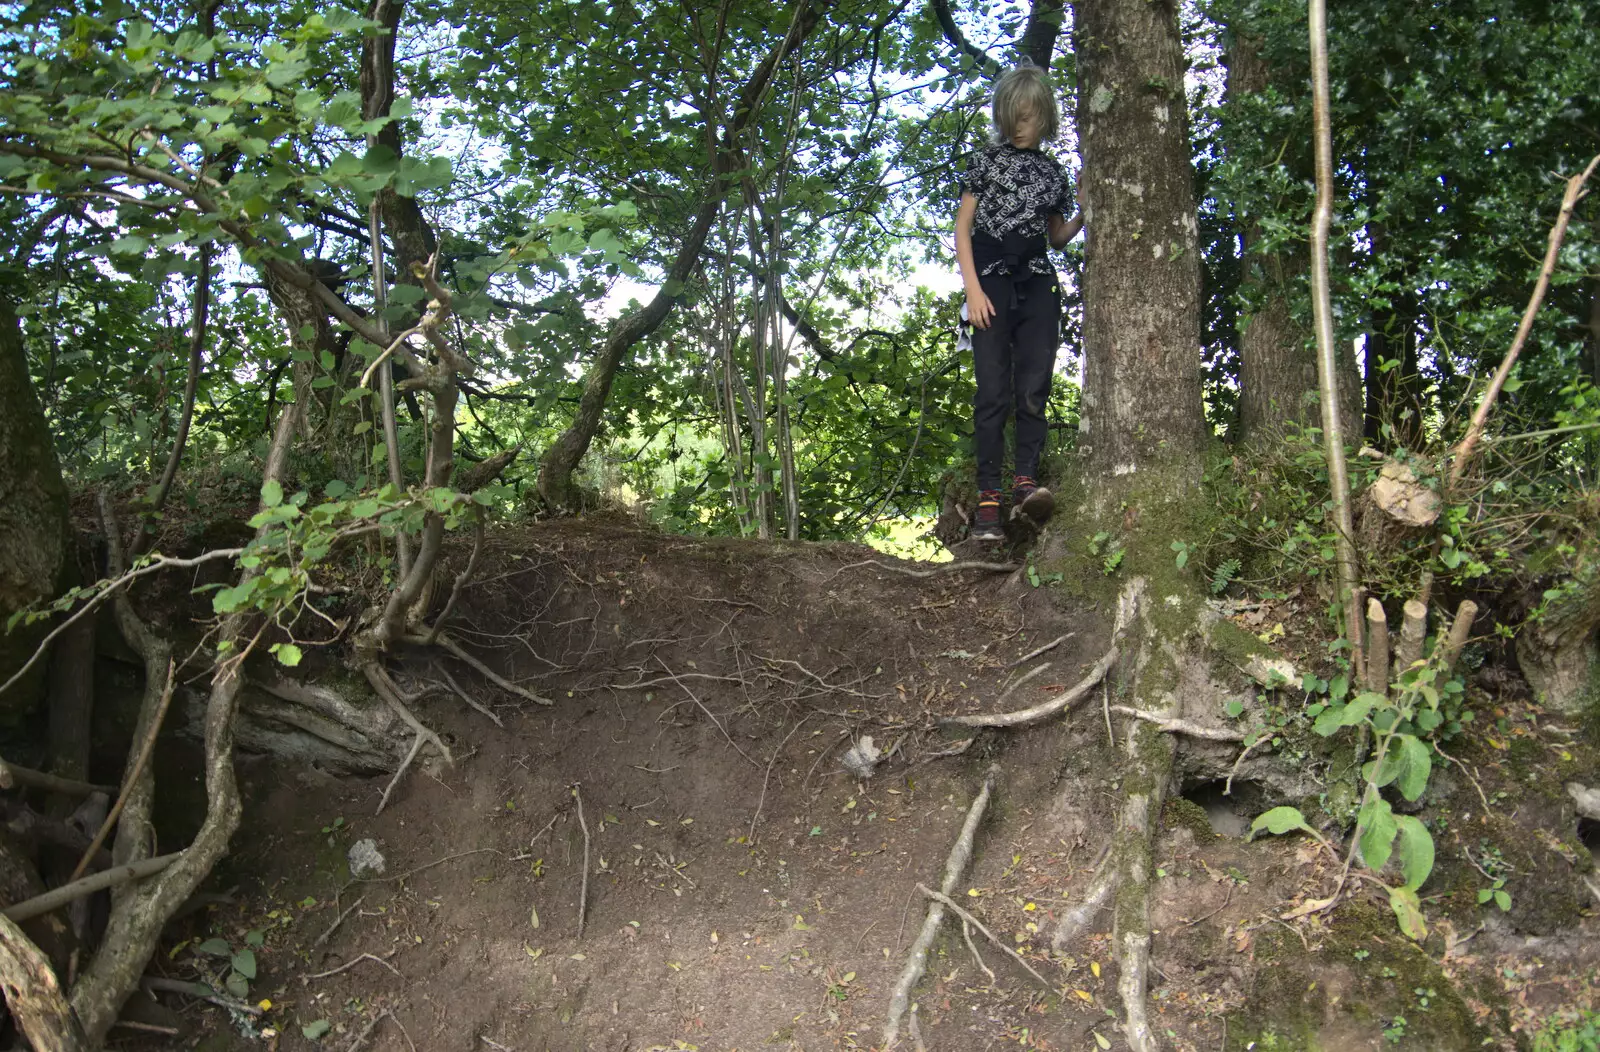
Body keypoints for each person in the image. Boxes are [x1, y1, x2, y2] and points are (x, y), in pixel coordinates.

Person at [954, 63, 1082, 542]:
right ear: (1003, 117)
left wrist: (1083, 211)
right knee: (992, 393)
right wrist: (973, 291)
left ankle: (1025, 485)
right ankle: (988, 500)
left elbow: (1058, 237)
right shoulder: (984, 162)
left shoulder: (1053, 173)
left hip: (1038, 284)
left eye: (1030, 117)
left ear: (1044, 117)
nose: (1022, 126)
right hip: (990, 283)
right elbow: (962, 230)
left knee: (1033, 388)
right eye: (1014, 117)